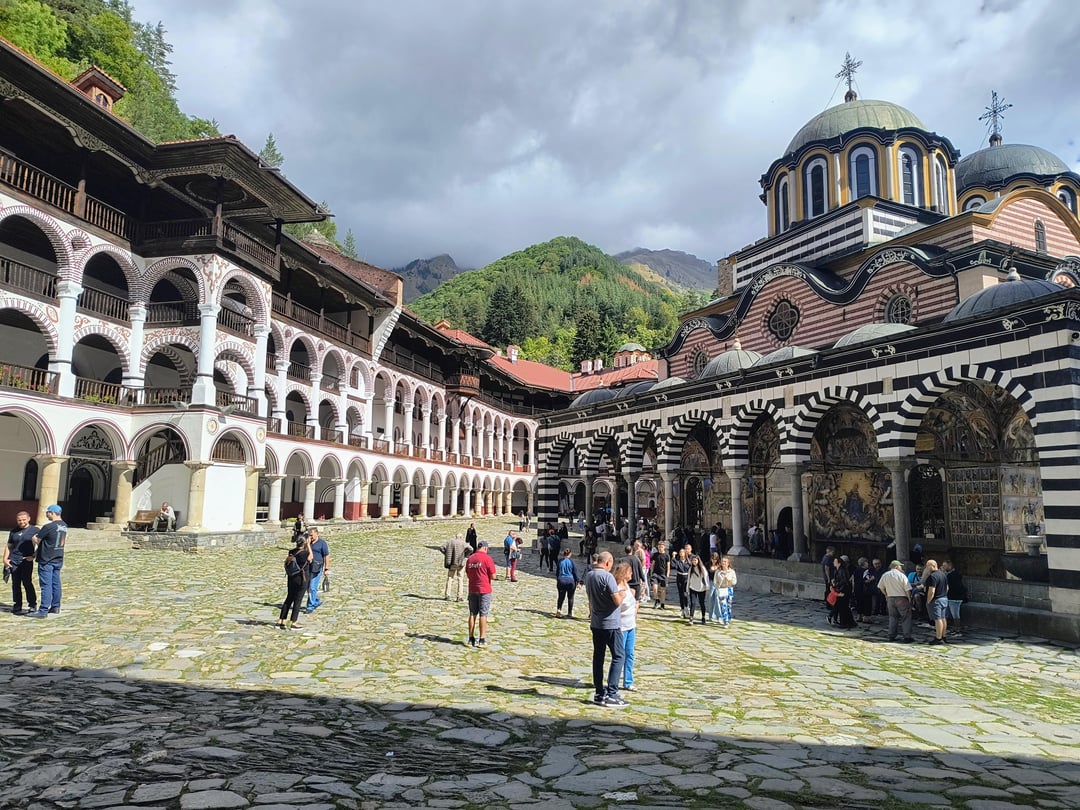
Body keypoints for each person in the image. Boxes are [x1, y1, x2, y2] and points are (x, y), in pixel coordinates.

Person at [584, 551, 627, 707]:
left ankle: (599, 692)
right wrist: (622, 594)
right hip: (611, 623)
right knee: (619, 656)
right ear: (608, 562)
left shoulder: (589, 575)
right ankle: (612, 693)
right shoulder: (607, 576)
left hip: (596, 622)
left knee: (598, 657)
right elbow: (616, 601)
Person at [31, 504, 66, 618]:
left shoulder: (48, 526)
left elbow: (37, 540)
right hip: (58, 557)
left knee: (46, 585)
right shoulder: (64, 525)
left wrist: (33, 538)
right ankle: (55, 606)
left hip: (47, 558)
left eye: (47, 512)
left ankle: (43, 610)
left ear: (51, 513)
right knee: (56, 583)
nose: (46, 514)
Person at [4, 510, 37, 615]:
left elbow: (42, 545)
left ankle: (32, 604)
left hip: (26, 560)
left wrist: (33, 556)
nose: (21, 522)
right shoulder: (13, 531)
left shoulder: (35, 530)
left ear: (28, 519)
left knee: (27, 582)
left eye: (23, 519)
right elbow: (9, 546)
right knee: (15, 584)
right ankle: (17, 604)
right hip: (14, 560)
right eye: (19, 520)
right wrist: (5, 559)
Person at [466, 540, 497, 647]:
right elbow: (493, 576)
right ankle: (482, 639)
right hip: (484, 589)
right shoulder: (487, 559)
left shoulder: (470, 558)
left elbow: (468, 573)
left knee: (472, 613)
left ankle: (471, 638)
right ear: (485, 548)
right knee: (483, 614)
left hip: (472, 588)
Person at [613, 560, 638, 692]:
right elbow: (617, 606)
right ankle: (615, 680)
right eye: (630, 572)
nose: (632, 574)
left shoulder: (627, 586)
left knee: (630, 654)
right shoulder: (618, 588)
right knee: (620, 655)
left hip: (631, 625)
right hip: (621, 626)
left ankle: (628, 681)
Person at [278, 533, 310, 629]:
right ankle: (293, 622)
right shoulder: (305, 553)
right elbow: (311, 558)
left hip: (291, 577)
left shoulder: (291, 552)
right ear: (304, 543)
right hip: (301, 578)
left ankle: (281, 620)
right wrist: (308, 545)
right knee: (298, 600)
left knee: (289, 598)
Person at [877, 559, 913, 643]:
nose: (901, 567)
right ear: (896, 567)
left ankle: (891, 635)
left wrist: (886, 594)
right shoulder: (901, 575)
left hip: (890, 598)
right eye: (900, 566)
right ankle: (907, 636)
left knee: (893, 617)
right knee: (906, 617)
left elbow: (880, 587)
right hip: (901, 598)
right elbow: (907, 589)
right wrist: (909, 599)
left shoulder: (885, 575)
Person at [923, 559, 949, 645]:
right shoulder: (943, 574)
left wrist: (928, 601)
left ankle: (938, 638)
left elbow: (932, 591)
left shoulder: (932, 577)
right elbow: (947, 587)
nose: (926, 568)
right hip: (944, 598)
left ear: (933, 566)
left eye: (928, 566)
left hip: (936, 600)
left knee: (938, 619)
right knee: (943, 618)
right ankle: (943, 636)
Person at [305, 527, 329, 613]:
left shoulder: (322, 543)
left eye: (311, 535)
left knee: (312, 587)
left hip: (317, 567)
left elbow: (326, 556)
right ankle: (316, 601)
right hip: (308, 567)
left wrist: (326, 568)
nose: (310, 537)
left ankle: (310, 606)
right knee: (308, 588)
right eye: (309, 535)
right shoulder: (308, 543)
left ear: (316, 534)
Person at [440, 531, 470, 602]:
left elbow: (441, 547)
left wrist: (446, 554)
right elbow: (471, 548)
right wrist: (465, 555)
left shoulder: (450, 542)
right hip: (460, 563)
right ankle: (459, 596)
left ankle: (447, 595)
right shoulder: (463, 543)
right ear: (461, 537)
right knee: (460, 579)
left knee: (450, 578)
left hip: (452, 562)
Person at [828, 555, 856, 629]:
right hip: (840, 589)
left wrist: (836, 587)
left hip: (843, 591)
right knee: (844, 607)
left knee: (843, 607)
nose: (834, 562)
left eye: (835, 561)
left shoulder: (842, 570)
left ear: (839, 563)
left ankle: (844, 623)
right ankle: (849, 622)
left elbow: (844, 581)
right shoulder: (837, 570)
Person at [942, 558, 967, 636]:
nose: (943, 567)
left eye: (944, 566)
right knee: (951, 614)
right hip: (952, 597)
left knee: (955, 615)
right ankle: (953, 628)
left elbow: (954, 587)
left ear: (949, 566)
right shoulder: (953, 574)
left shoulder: (952, 575)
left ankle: (957, 629)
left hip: (955, 598)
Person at [555, 547, 582, 618]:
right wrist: (578, 582)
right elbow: (575, 572)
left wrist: (558, 579)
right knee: (570, 597)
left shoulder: (560, 561)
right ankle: (569, 612)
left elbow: (557, 572)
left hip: (562, 580)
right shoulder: (571, 562)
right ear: (570, 554)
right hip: (570, 581)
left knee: (561, 596)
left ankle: (559, 610)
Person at [686, 553, 710, 625]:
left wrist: (707, 587)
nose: (694, 562)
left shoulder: (702, 568)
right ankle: (691, 617)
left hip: (701, 588)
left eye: (695, 560)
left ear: (698, 561)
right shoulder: (691, 569)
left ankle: (703, 617)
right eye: (693, 560)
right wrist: (687, 588)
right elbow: (688, 579)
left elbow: (706, 578)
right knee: (693, 603)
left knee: (702, 603)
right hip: (693, 587)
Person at [714, 556, 737, 627]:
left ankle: (729, 617)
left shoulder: (731, 571)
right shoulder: (718, 572)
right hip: (722, 589)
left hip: (729, 589)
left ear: (728, 563)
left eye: (725, 562)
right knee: (723, 605)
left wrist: (729, 580)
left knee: (728, 605)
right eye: (722, 562)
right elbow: (715, 582)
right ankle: (725, 620)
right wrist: (717, 587)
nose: (723, 563)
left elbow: (734, 582)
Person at [671, 545, 692, 618]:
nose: (681, 553)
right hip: (679, 577)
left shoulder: (688, 562)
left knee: (685, 594)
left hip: (686, 578)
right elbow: (673, 566)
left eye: (682, 552)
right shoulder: (678, 562)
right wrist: (673, 557)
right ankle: (682, 609)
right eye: (680, 552)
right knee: (680, 594)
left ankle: (687, 608)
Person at [650, 540, 671, 609]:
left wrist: (667, 575)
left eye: (661, 547)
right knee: (654, 587)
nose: (660, 548)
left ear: (664, 547)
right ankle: (656, 599)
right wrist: (651, 572)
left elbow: (668, 565)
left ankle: (662, 603)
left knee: (663, 589)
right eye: (659, 547)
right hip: (655, 573)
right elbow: (653, 564)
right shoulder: (655, 555)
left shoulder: (667, 555)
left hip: (663, 574)